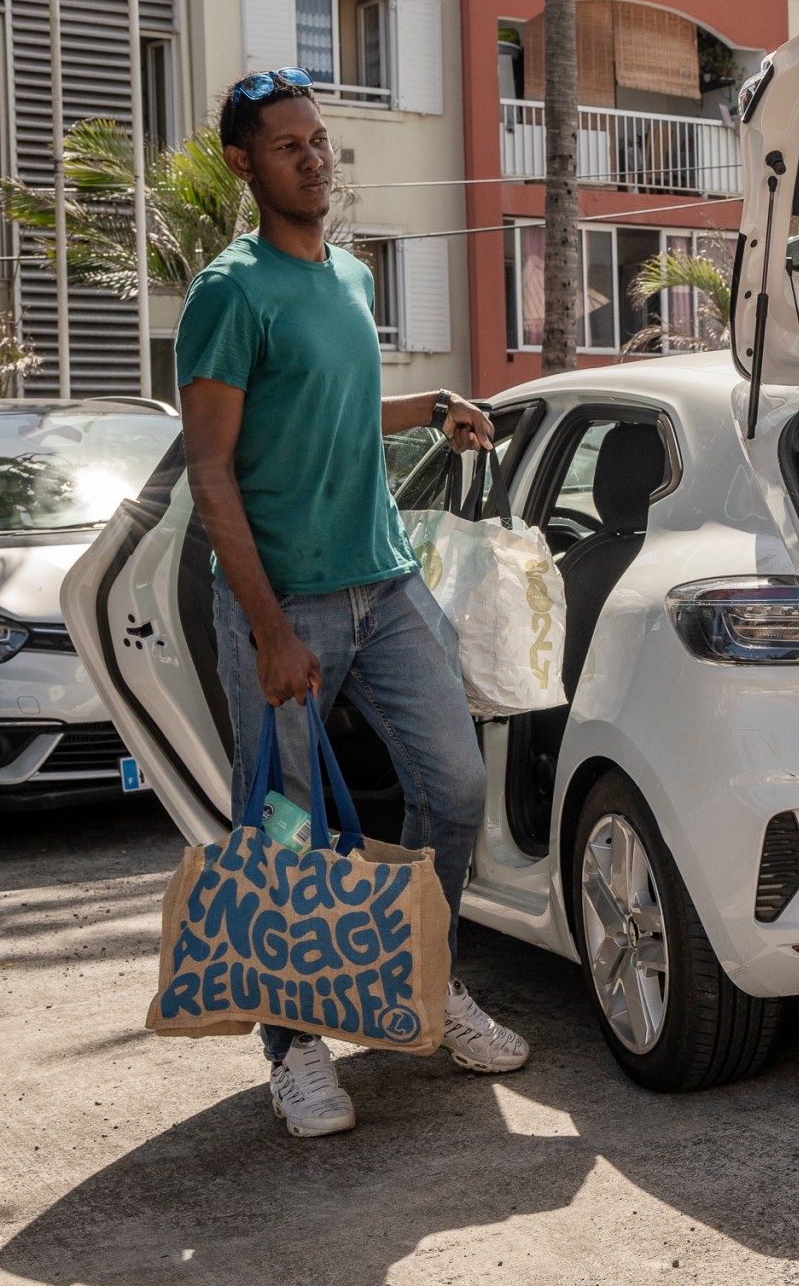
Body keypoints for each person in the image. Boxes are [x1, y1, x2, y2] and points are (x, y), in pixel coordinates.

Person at [177, 68, 530, 1138]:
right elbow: (212, 471)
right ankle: (294, 1047)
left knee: (456, 790)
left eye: (320, 141)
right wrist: (270, 627)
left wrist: (435, 408)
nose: (314, 159)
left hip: (386, 585)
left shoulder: (350, 278)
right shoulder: (228, 294)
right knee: (286, 830)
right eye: (288, 147)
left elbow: (335, 409)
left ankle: (423, 984)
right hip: (284, 606)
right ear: (245, 166)